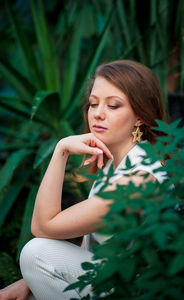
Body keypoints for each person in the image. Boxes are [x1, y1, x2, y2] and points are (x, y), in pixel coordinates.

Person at [0, 60, 168, 299]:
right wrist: (27, 283)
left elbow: (42, 227)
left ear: (140, 116)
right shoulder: (115, 163)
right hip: (115, 278)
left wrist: (61, 150)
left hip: (138, 290)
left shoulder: (138, 180)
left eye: (113, 106)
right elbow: (88, 246)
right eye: (93, 103)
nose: (98, 114)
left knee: (35, 252)